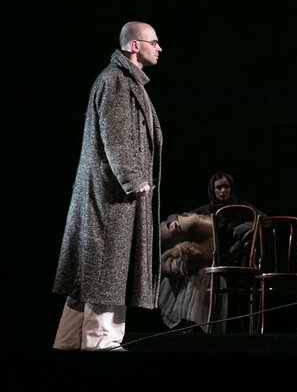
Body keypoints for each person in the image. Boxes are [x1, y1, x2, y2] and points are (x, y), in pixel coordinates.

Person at [52, 21, 164, 351]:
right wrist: (134, 179)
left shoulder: (123, 80)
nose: (159, 48)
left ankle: (68, 343)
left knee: (89, 275)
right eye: (154, 42)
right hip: (112, 198)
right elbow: (115, 136)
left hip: (110, 194)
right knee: (107, 270)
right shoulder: (116, 81)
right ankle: (102, 343)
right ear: (135, 46)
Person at [157, 171, 265, 333]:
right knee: (189, 273)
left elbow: (265, 220)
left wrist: (244, 227)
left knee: (201, 275)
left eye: (226, 187)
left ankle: (201, 325)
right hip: (210, 260)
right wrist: (173, 221)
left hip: (231, 261)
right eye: (218, 188)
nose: (223, 191)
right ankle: (187, 323)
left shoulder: (242, 208)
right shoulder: (207, 210)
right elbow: (178, 215)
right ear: (212, 190)